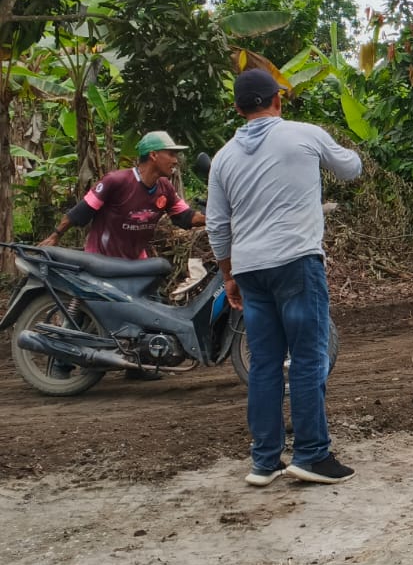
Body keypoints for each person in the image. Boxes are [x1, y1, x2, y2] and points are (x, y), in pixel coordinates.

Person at [206, 68, 363, 488]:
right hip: (296, 262)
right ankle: (312, 455)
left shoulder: (223, 158)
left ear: (238, 108)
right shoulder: (304, 134)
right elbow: (351, 168)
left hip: (250, 270)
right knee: (308, 358)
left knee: (264, 364)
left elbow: (217, 225)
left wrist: (228, 275)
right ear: (277, 100)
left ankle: (264, 461)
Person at [42, 131, 205, 257]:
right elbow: (80, 212)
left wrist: (214, 218)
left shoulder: (165, 188)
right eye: (171, 154)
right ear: (153, 155)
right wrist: (55, 236)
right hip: (101, 260)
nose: (175, 161)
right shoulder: (116, 181)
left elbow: (187, 217)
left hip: (135, 262)